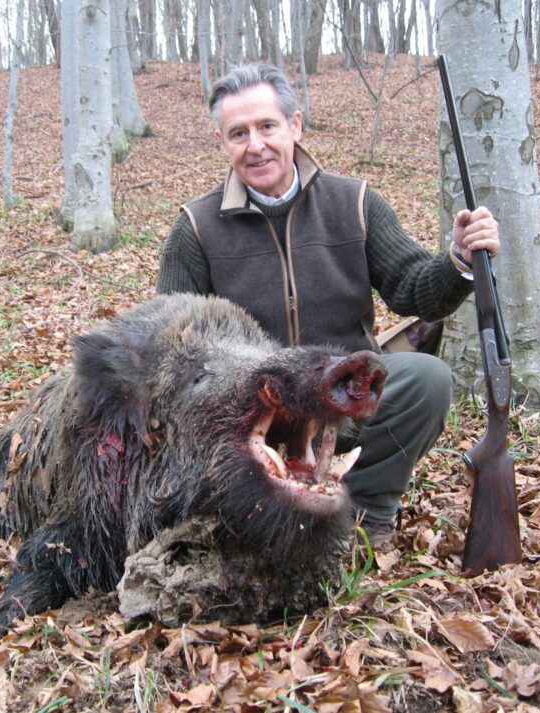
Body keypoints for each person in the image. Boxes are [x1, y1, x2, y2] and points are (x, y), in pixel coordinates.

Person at [155, 63, 500, 548]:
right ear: (222, 143)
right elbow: (172, 344)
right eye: (238, 133)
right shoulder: (196, 228)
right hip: (255, 415)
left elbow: (411, 288)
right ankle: (256, 510)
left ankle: (370, 512)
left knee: (427, 381)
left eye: (267, 126)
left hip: (344, 396)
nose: (255, 145)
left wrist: (459, 260)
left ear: (295, 125)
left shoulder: (354, 203)